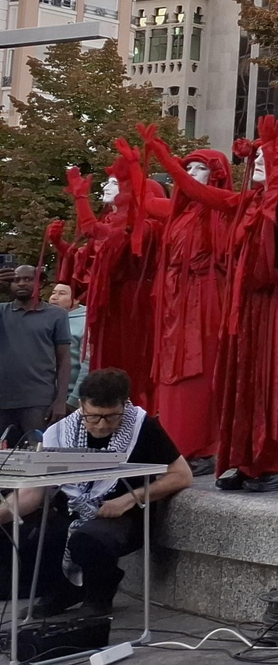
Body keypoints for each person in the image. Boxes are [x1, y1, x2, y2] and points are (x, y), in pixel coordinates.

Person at [178, 114, 278, 493]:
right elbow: (204, 193)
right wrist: (163, 156)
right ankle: (250, 462)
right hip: (249, 300)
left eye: (266, 157)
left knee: (276, 376)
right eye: (255, 156)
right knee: (247, 377)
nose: (256, 161)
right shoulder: (249, 202)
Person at [0, 368, 192, 620]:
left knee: (88, 537)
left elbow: (182, 475)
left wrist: (128, 499)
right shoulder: (59, 432)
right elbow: (33, 493)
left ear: (125, 404)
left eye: (111, 417)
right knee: (40, 533)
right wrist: (5, 513)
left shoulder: (142, 426)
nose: (101, 425)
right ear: (81, 405)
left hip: (123, 515)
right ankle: (65, 589)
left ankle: (98, 596)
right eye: (93, 417)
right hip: (72, 510)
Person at [140, 139, 235, 475]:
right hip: (176, 301)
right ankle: (176, 446)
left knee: (201, 369)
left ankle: (204, 446)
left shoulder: (223, 209)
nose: (192, 174)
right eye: (189, 167)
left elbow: (189, 190)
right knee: (171, 373)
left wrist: (168, 162)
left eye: (201, 168)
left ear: (218, 175)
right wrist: (133, 169)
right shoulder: (179, 214)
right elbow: (146, 199)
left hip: (206, 298)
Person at [65, 141, 165, 408]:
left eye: (117, 184)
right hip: (113, 305)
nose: (110, 189)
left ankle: (136, 413)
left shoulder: (149, 227)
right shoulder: (114, 224)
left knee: (132, 362)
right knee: (107, 359)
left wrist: (133, 168)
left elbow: (126, 236)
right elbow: (92, 230)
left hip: (134, 305)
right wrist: (80, 198)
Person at [0, 264, 72, 447]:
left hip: (38, 401)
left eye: (27, 279)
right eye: (16, 280)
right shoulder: (2, 312)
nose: (21, 283)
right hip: (3, 399)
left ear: (41, 282)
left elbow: (64, 359)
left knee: (37, 453)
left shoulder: (57, 315)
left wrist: (61, 401)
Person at [47, 282, 86, 410]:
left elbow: (87, 365)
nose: (54, 297)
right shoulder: (44, 318)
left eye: (62, 293)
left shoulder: (85, 322)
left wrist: (73, 400)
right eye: (53, 293)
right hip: (41, 395)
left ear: (75, 299)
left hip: (69, 398)